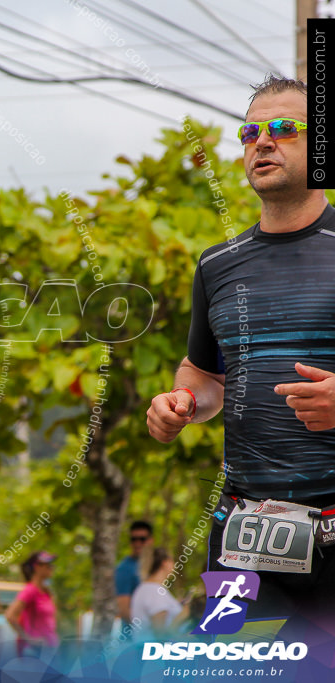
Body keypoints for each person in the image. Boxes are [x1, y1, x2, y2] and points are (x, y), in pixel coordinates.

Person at [147, 74, 335, 625]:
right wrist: (182, 400)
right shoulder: (217, 264)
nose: (263, 141)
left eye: (284, 128)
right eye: (250, 131)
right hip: (247, 535)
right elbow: (206, 374)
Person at [4, 551, 58, 657]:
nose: (51, 568)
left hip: (49, 651)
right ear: (37, 567)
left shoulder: (46, 593)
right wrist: (29, 639)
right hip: (34, 654)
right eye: (48, 565)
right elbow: (10, 615)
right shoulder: (30, 590)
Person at [130, 547, 189, 640]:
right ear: (165, 563)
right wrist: (183, 614)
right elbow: (160, 634)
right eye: (172, 560)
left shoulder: (147, 588)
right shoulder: (155, 591)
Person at [114, 520, 152, 638]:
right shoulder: (124, 568)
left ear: (151, 540)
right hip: (133, 641)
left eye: (142, 539)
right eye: (133, 539)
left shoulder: (154, 566)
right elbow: (124, 609)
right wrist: (151, 628)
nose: (137, 543)